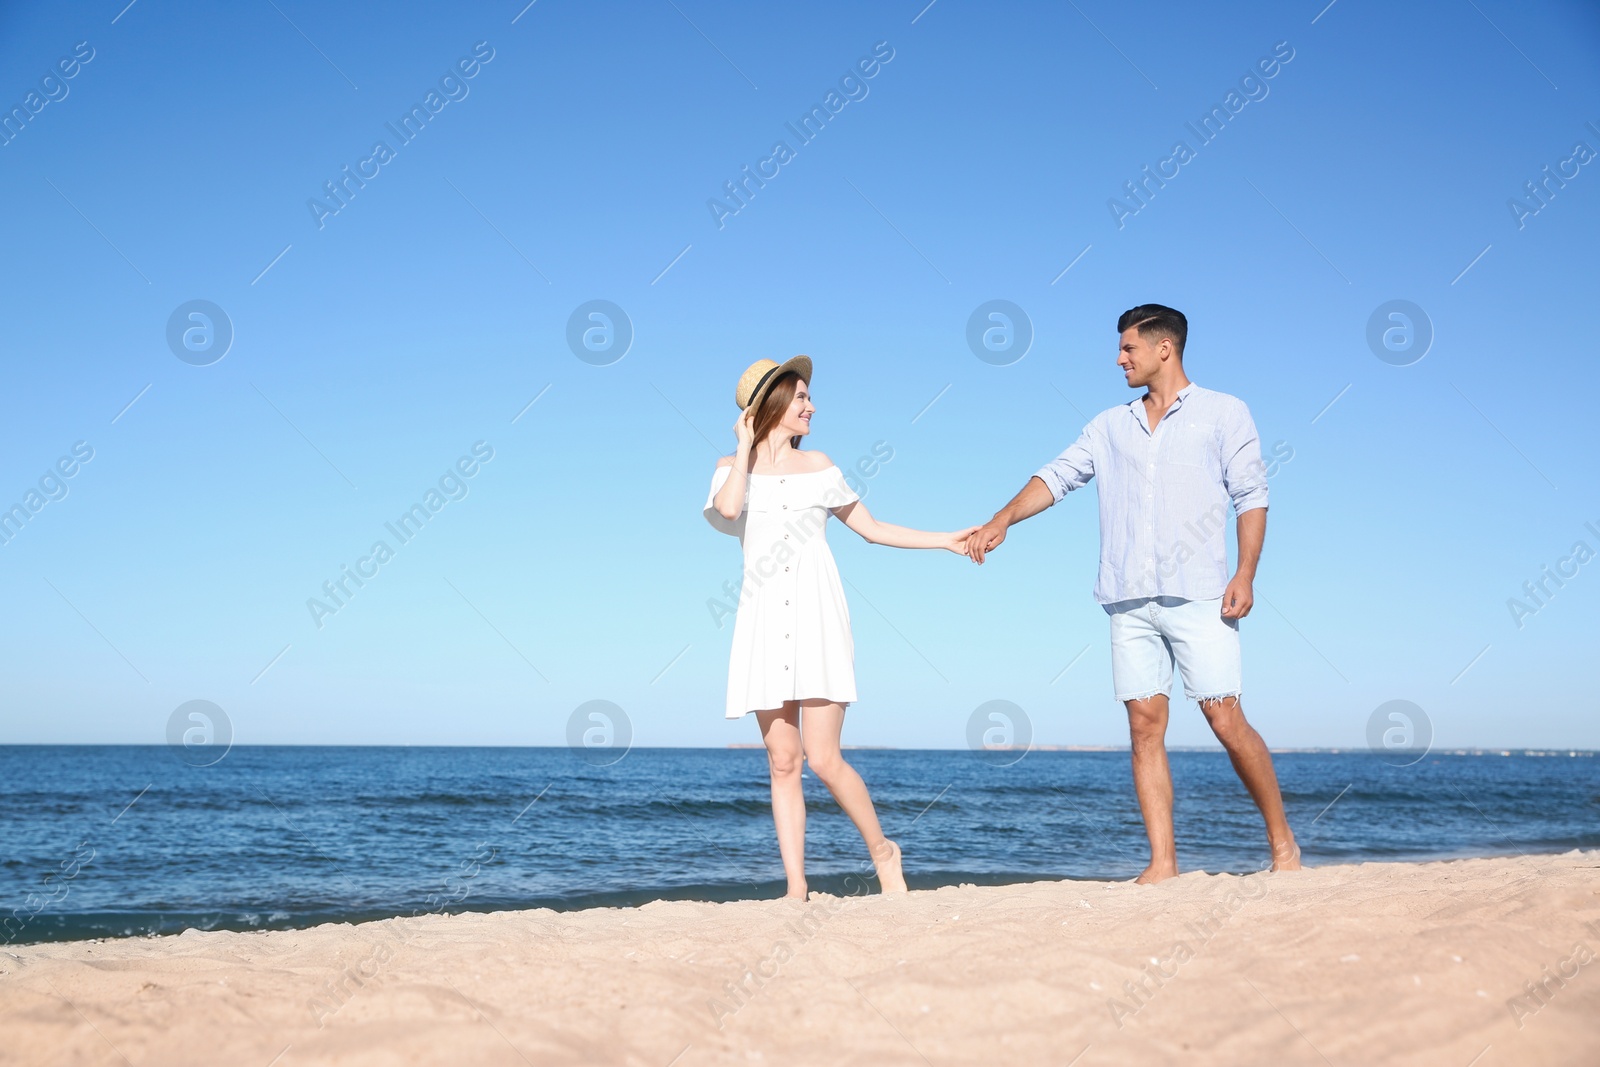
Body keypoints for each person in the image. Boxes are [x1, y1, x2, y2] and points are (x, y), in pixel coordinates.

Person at [965, 305, 1301, 883]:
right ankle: (1163, 863)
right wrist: (1002, 520)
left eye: (1129, 349)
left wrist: (1246, 573)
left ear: (1164, 348)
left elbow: (1251, 495)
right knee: (1144, 726)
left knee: (1224, 718)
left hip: (1201, 593)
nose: (1120, 359)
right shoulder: (1108, 426)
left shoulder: (1224, 413)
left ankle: (1284, 845)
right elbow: (1058, 475)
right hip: (1127, 596)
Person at [705, 356, 975, 900]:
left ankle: (883, 852)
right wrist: (742, 447)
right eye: (801, 396)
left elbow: (872, 530)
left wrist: (945, 538)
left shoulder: (821, 466)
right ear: (770, 405)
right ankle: (797, 888)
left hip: (817, 617)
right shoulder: (729, 469)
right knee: (783, 761)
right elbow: (729, 510)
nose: (811, 405)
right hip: (761, 622)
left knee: (824, 759)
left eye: (809, 396)